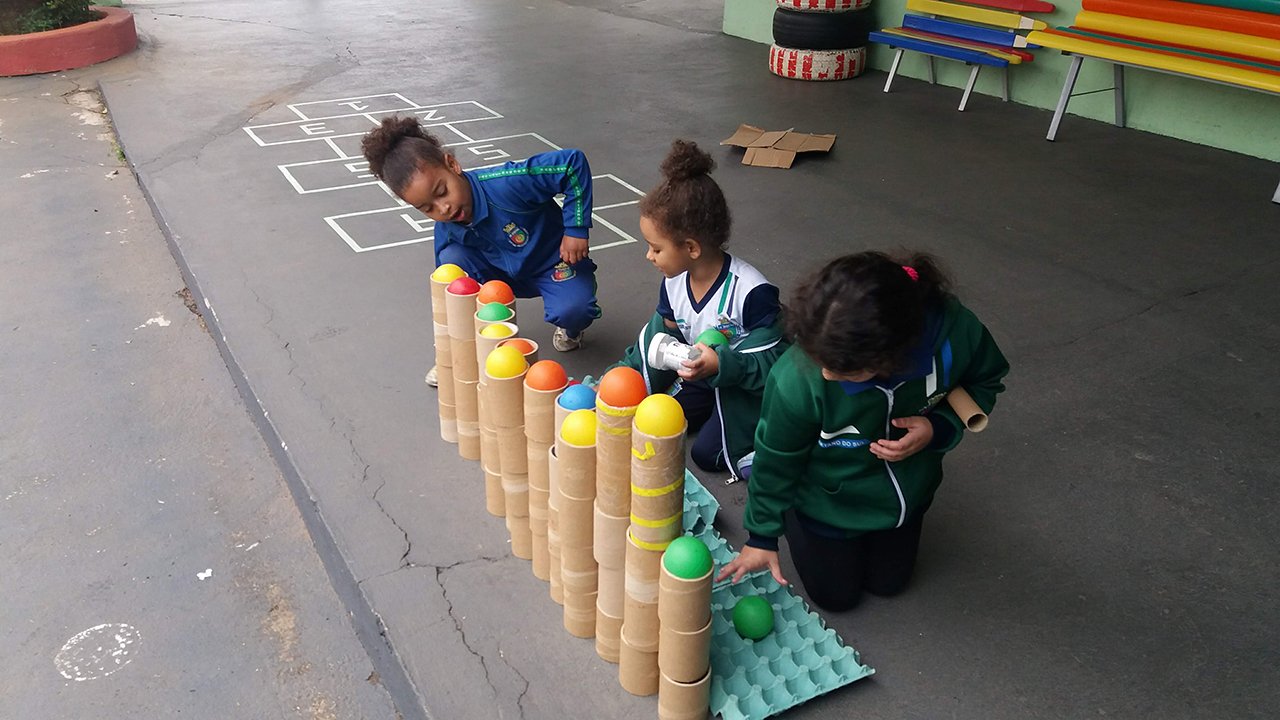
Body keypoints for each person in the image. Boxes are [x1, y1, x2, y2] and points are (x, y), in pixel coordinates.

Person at [717, 251, 1009, 611]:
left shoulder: (955, 332)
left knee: (889, 584)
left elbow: (986, 381)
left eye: (844, 371)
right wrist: (761, 535)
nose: (826, 374)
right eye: (821, 361)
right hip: (826, 498)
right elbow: (777, 457)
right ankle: (794, 512)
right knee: (837, 598)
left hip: (906, 495)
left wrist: (938, 428)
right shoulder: (799, 378)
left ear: (890, 358)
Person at [361, 117, 600, 386]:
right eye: (427, 208)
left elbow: (571, 164)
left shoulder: (505, 184)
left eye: (442, 192)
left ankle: (571, 328)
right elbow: (449, 296)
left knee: (575, 309)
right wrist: (452, 354)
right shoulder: (447, 229)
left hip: (554, 263)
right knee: (450, 268)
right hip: (500, 277)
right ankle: (472, 347)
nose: (443, 209)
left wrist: (576, 229)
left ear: (452, 165)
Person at [612, 140, 787, 482]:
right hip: (704, 377)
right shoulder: (674, 281)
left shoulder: (752, 292)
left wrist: (724, 365)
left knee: (707, 454)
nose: (649, 257)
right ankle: (712, 411)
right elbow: (660, 336)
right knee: (654, 419)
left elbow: (778, 367)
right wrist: (621, 376)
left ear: (690, 247)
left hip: (745, 387)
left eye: (655, 248)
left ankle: (767, 440)